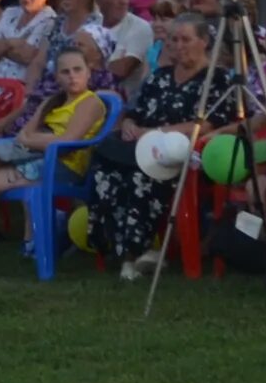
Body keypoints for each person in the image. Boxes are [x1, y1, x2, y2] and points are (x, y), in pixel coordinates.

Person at [83, 15, 250, 277]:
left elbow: (205, 125)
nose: (178, 45)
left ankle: (135, 251)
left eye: (186, 39)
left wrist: (153, 132)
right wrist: (128, 124)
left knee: (142, 173)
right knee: (105, 168)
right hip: (139, 144)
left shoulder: (217, 80)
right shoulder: (159, 76)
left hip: (181, 152)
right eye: (173, 39)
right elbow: (134, 111)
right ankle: (119, 248)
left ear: (204, 41)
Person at [0, 43, 108, 280]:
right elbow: (22, 135)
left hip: (64, 167)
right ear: (56, 76)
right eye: (65, 72)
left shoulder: (90, 102)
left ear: (88, 72)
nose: (72, 76)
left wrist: (37, 139)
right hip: (39, 159)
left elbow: (67, 140)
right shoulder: (51, 101)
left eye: (77, 69)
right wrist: (44, 139)